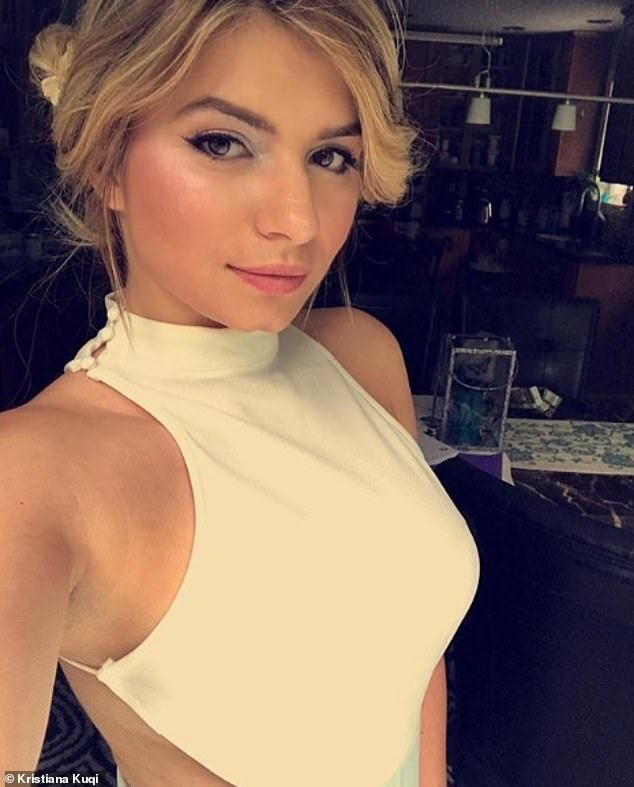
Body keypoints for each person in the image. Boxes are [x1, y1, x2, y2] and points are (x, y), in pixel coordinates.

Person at [2, 1, 480, 785]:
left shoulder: (361, 356)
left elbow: (414, 650)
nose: (296, 220)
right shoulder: (36, 471)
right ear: (107, 163)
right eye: (222, 143)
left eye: (331, 156)